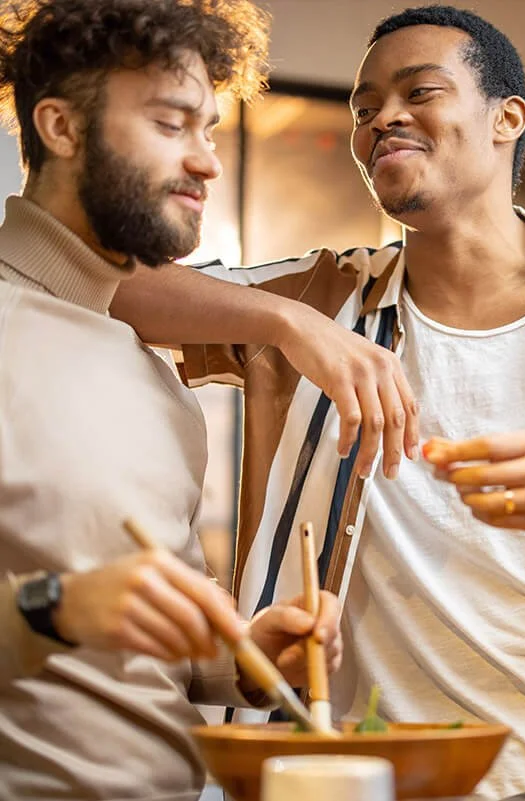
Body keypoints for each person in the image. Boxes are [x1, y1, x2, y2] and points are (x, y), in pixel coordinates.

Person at [111, 5, 525, 800]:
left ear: (507, 118)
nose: (380, 119)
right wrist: (290, 322)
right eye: (364, 108)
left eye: (418, 91)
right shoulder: (322, 299)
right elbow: (112, 286)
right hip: (359, 778)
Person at [0, 2, 348, 800]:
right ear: (61, 127)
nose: (207, 162)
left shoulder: (158, 380)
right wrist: (56, 606)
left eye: (209, 130)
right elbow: (68, 614)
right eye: (171, 124)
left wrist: (245, 658)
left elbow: (154, 656)